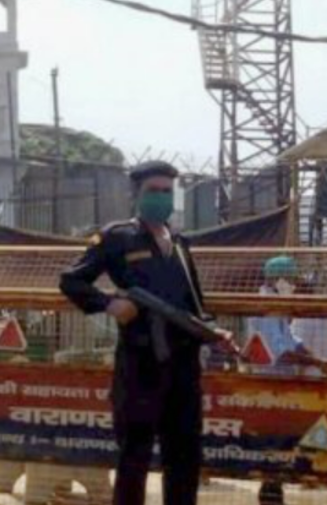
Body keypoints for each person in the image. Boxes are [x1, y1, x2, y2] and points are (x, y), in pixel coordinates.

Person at [60, 160, 236, 505]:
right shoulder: (117, 236)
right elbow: (71, 280)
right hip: (140, 365)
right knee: (134, 458)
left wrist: (216, 333)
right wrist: (109, 304)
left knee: (184, 457)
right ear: (136, 195)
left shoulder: (181, 244)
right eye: (153, 191)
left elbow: (195, 306)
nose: (161, 198)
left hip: (183, 367)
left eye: (167, 192)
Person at [245, 255, 327, 504]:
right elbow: (281, 352)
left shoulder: (279, 304)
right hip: (269, 384)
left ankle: (275, 491)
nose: (294, 284)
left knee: (282, 445)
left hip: (281, 385)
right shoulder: (265, 306)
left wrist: (313, 356)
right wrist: (317, 363)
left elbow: (292, 341)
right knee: (273, 445)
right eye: (292, 279)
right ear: (279, 279)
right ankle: (271, 495)